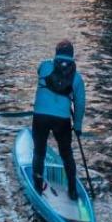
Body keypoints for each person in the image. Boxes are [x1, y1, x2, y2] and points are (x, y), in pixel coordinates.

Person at [32, 40, 86, 201]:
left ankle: (37, 187)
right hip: (62, 119)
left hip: (40, 116)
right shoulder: (77, 78)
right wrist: (77, 125)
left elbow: (39, 71)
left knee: (39, 152)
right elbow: (80, 104)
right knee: (66, 154)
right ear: (72, 54)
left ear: (56, 53)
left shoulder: (44, 66)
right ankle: (72, 191)